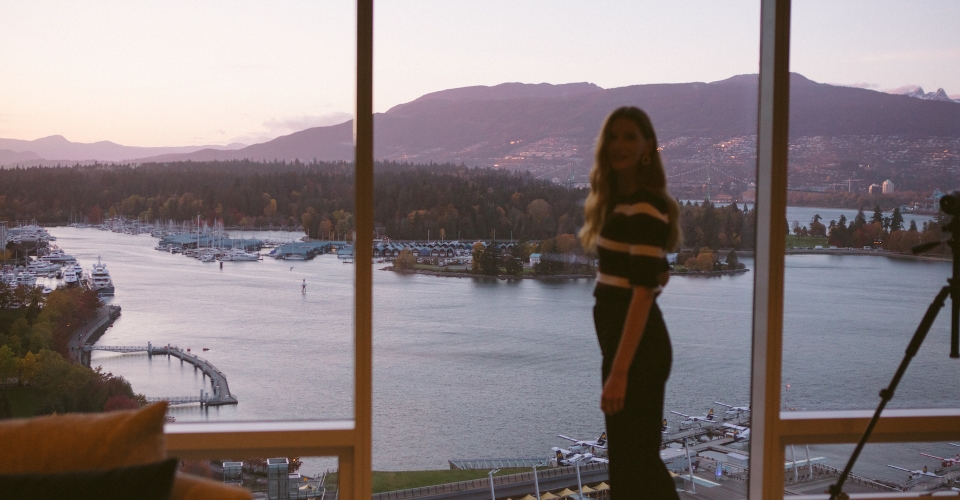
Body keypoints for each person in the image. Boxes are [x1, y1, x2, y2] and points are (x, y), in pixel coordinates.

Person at [579, 106, 681, 499]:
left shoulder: (644, 206)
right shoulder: (622, 202)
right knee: (633, 466)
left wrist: (618, 373)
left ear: (647, 148)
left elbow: (641, 293)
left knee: (634, 470)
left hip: (635, 353)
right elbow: (654, 273)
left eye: (630, 137)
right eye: (613, 136)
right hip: (625, 347)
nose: (619, 145)